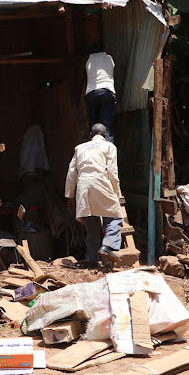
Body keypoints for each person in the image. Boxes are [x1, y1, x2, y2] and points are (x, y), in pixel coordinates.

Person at [65, 123, 123, 268]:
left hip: (83, 186)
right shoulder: (109, 147)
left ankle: (91, 260)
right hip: (101, 182)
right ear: (105, 136)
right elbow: (112, 171)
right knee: (114, 216)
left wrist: (70, 196)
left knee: (92, 223)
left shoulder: (79, 148)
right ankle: (108, 246)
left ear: (91, 136)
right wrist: (116, 192)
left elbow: (71, 174)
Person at [84, 46, 116, 143]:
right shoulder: (109, 58)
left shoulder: (88, 58)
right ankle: (108, 150)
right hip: (107, 92)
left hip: (91, 93)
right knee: (107, 126)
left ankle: (93, 149)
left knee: (93, 126)